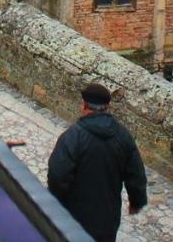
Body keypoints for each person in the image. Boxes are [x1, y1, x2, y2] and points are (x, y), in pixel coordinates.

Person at [47, 83, 148, 241]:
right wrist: (137, 201)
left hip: (74, 216)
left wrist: (56, 204)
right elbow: (136, 174)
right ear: (108, 107)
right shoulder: (123, 136)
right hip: (107, 217)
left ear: (84, 106)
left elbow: (57, 175)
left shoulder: (73, 137)